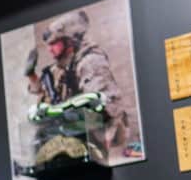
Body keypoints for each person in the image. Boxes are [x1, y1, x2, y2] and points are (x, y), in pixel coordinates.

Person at [25, 10, 129, 156]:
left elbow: (106, 105)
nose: (50, 49)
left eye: (54, 43)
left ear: (70, 40)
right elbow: (46, 93)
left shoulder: (90, 63)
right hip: (77, 135)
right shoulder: (64, 65)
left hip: (99, 137)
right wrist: (31, 76)